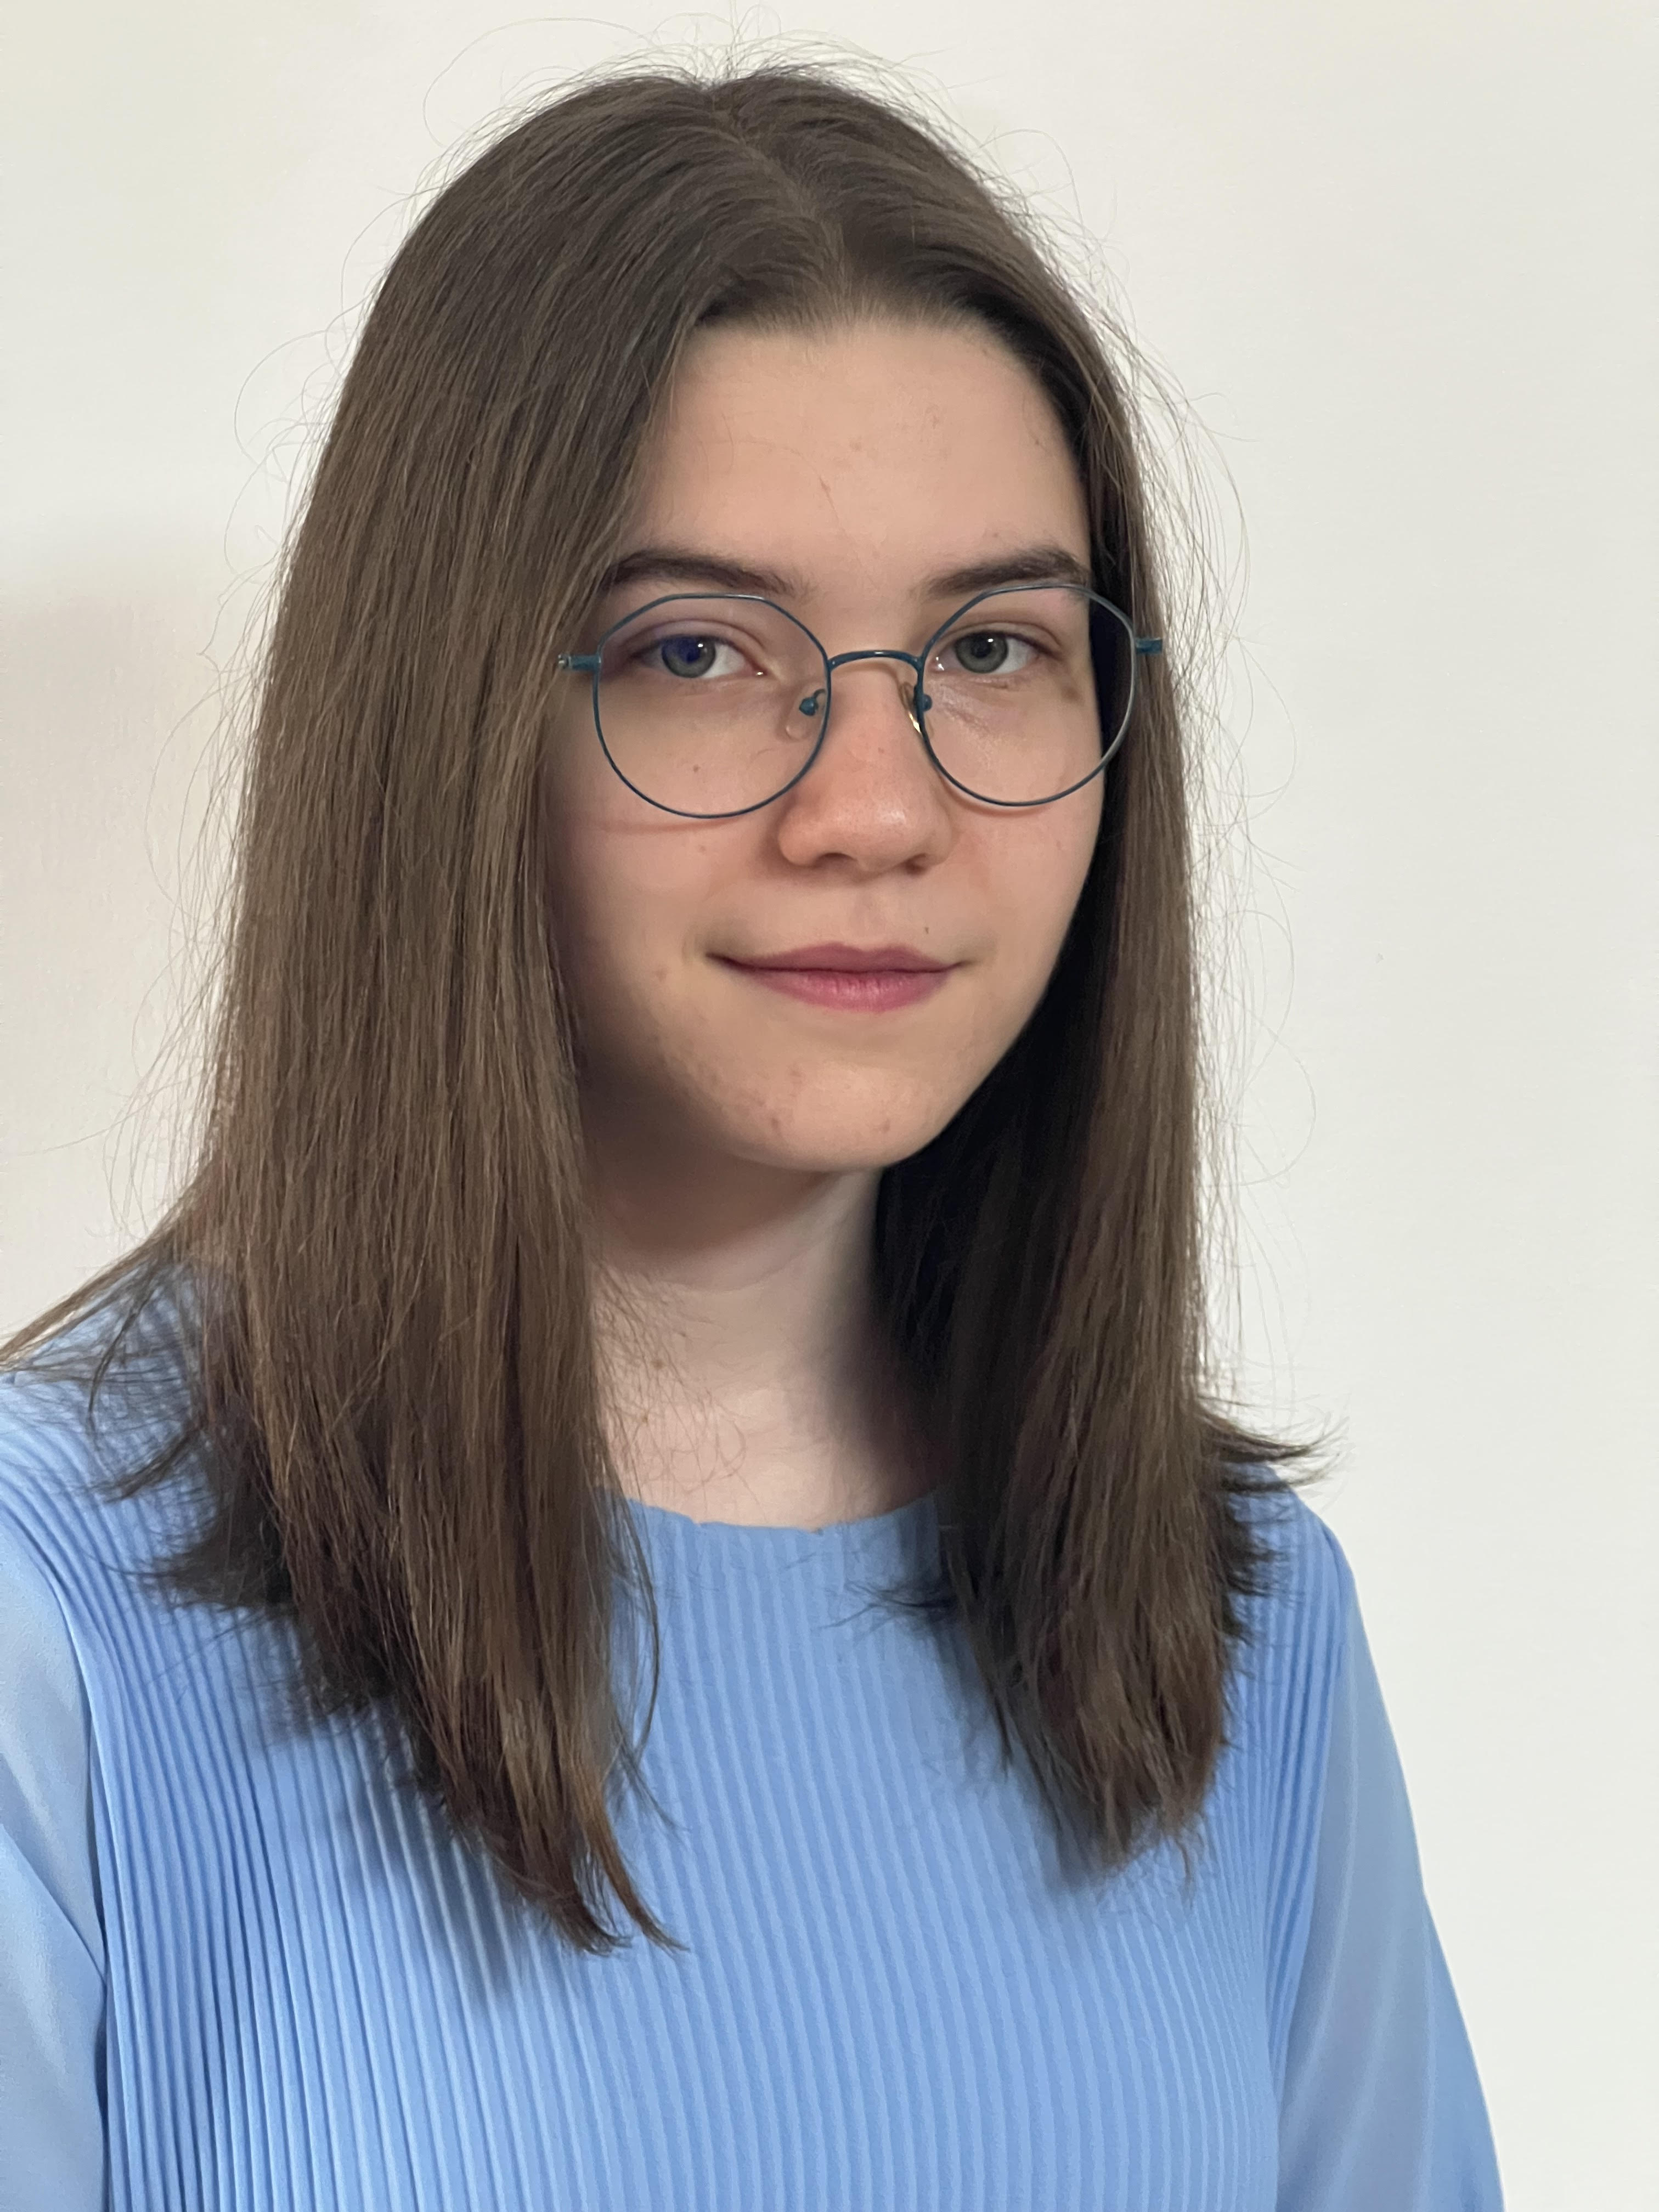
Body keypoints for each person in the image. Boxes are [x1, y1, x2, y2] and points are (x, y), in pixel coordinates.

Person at [0, 62, 1504, 2212]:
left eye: (992, 646)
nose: (877, 808)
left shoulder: (1232, 1629)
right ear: (450, 723)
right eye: (699, 650)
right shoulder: (51, 1612)